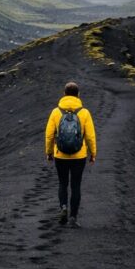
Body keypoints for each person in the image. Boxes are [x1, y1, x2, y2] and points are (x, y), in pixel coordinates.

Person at [45, 81, 96, 227]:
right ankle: (73, 218)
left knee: (62, 183)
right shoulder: (84, 112)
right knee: (76, 185)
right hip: (79, 156)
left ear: (64, 94)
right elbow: (90, 136)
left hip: (60, 155)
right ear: (78, 95)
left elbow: (49, 135)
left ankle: (63, 208)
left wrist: (49, 152)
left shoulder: (56, 112)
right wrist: (93, 153)